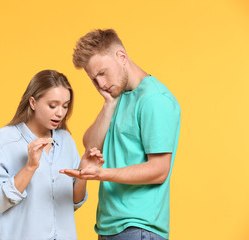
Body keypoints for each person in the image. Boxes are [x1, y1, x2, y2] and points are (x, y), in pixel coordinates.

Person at [60, 29, 181, 240]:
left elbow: (159, 170)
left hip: (138, 227)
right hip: (109, 227)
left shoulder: (154, 100)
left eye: (102, 73)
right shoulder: (118, 96)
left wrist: (102, 174)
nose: (100, 84)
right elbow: (90, 145)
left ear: (121, 57)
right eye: (94, 79)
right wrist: (109, 104)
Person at [0, 69, 104, 240]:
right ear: (33, 102)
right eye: (52, 106)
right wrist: (30, 166)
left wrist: (83, 173)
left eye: (65, 106)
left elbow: (72, 203)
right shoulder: (4, 140)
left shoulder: (66, 140)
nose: (60, 113)